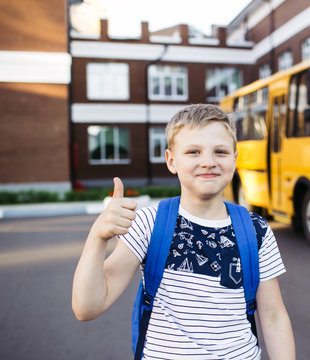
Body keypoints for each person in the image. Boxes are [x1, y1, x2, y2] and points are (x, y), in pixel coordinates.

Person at [72, 104, 295, 359]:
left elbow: (274, 317)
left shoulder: (256, 230)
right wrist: (98, 236)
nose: (208, 162)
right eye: (193, 152)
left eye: (220, 151)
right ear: (171, 160)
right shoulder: (150, 223)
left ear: (235, 158)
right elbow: (86, 307)